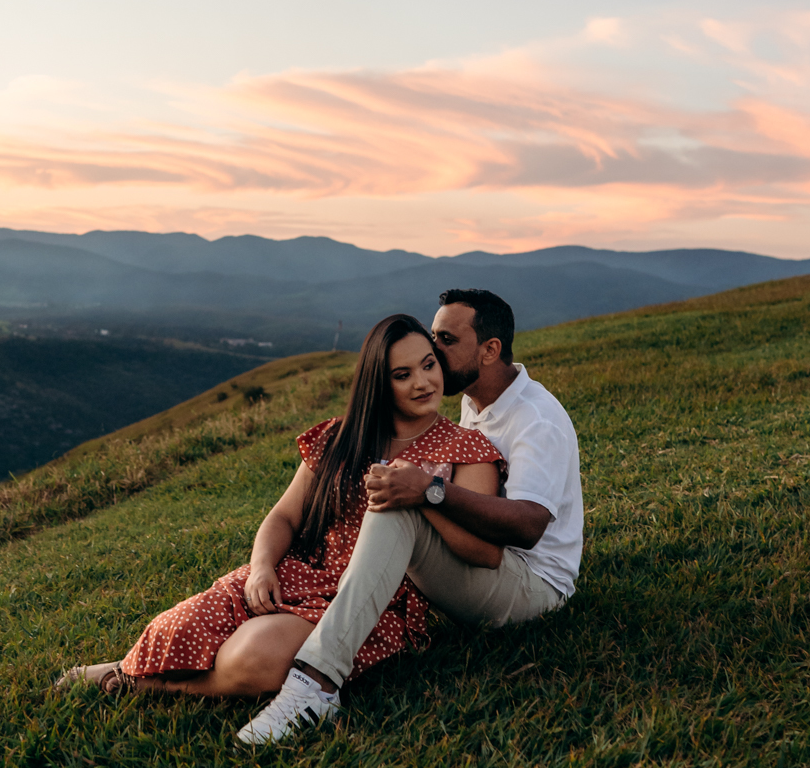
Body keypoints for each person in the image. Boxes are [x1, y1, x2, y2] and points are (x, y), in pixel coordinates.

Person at [57, 313, 505, 745]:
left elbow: (483, 552)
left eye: (429, 365)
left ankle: (139, 685)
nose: (424, 382)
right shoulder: (341, 438)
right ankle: (126, 665)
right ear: (379, 384)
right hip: (298, 572)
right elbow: (284, 517)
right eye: (402, 374)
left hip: (374, 599)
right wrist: (261, 568)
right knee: (178, 627)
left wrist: (422, 494)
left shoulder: (466, 449)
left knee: (254, 657)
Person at [287, 287, 582, 724]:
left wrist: (429, 489)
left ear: (490, 350)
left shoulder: (535, 419)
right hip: (480, 563)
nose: (433, 349)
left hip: (533, 587)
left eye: (445, 340)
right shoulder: (474, 402)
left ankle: (316, 683)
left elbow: (528, 526)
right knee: (402, 499)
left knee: (403, 503)